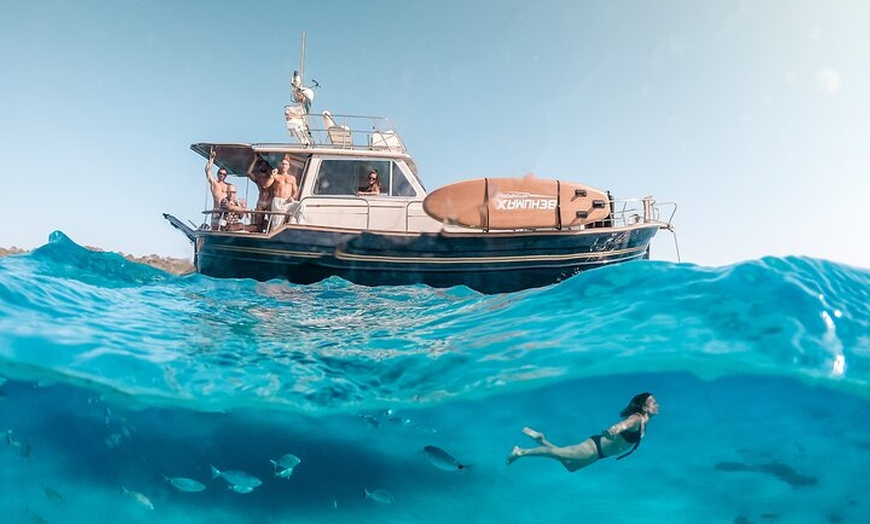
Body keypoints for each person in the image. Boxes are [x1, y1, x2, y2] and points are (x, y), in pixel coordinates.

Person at [506, 392, 659, 472]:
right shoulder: (637, 419)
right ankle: (521, 452)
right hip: (595, 447)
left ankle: (542, 440)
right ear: (644, 408)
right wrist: (613, 430)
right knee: (557, 454)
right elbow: (623, 425)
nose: (657, 405)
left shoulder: (644, 422)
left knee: (570, 466)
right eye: (654, 403)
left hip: (601, 454)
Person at [263, 157, 299, 231]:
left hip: (288, 201)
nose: (284, 166)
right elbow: (266, 185)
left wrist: (293, 197)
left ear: (288, 166)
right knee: (277, 223)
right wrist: (272, 175)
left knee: (300, 206)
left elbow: (295, 191)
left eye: (286, 164)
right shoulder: (276, 176)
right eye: (282, 164)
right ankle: (273, 235)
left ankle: (295, 226)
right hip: (278, 201)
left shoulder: (292, 178)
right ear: (280, 165)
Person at [246, 155, 275, 232]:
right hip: (260, 202)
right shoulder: (258, 177)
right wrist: (255, 160)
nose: (263, 166)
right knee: (259, 222)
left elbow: (267, 184)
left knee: (271, 221)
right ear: (260, 166)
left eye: (265, 165)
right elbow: (248, 173)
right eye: (262, 165)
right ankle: (259, 233)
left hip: (269, 201)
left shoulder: (272, 177)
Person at [205, 148, 229, 229]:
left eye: (224, 174)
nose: (222, 175)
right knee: (215, 228)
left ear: (226, 176)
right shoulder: (215, 183)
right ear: (218, 174)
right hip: (216, 211)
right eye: (220, 173)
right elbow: (207, 170)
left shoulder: (228, 186)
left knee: (225, 229)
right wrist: (211, 159)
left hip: (225, 213)